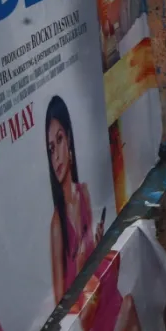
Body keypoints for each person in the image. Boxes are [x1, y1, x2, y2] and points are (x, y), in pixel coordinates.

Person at [46, 95, 104, 301]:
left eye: (59, 139)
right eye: (51, 148)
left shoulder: (84, 193)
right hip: (83, 316)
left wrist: (96, 246)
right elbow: (60, 306)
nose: (56, 157)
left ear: (69, 139)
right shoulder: (57, 224)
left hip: (100, 294)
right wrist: (81, 269)